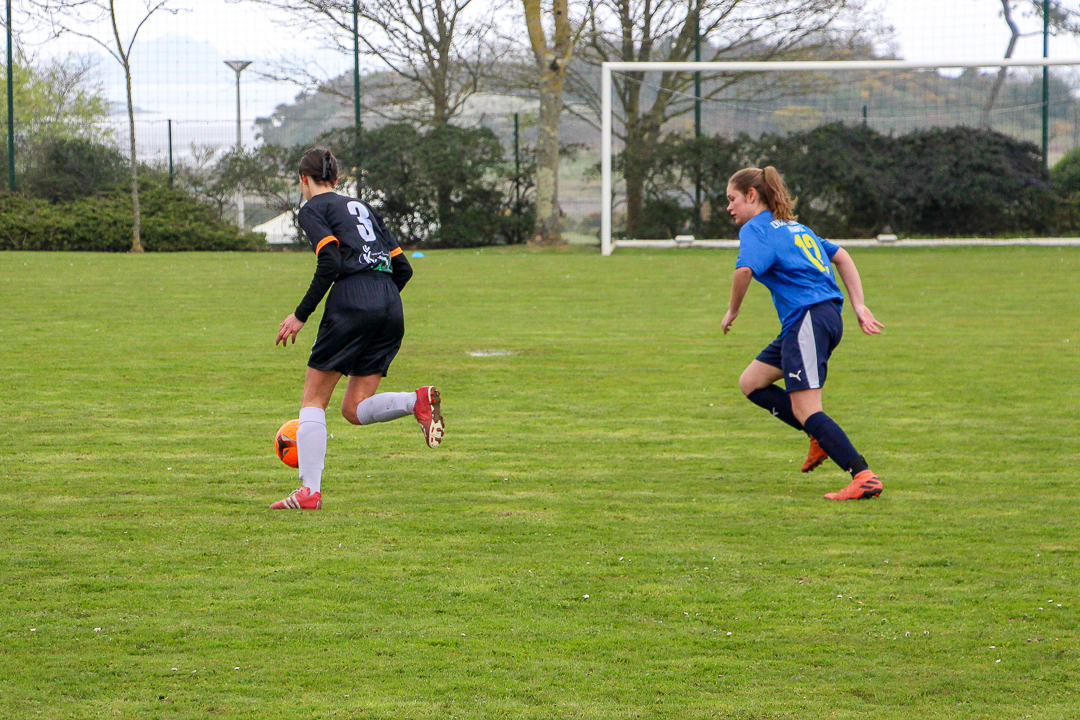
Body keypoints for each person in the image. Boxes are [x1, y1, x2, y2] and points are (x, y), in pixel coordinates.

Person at [270, 147, 444, 510]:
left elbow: (330, 259)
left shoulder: (313, 208)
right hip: (389, 302)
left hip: (353, 299)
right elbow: (404, 270)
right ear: (336, 178)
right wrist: (377, 302)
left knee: (314, 400)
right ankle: (417, 401)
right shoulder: (364, 207)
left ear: (305, 180)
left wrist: (302, 314)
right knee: (354, 408)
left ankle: (309, 492)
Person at [720, 166, 885, 500]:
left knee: (807, 409)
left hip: (807, 319)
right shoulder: (797, 228)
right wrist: (859, 305)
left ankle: (863, 475)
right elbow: (843, 257)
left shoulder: (756, 229)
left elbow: (744, 271)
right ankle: (816, 436)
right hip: (820, 318)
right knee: (751, 382)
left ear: (753, 195)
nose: (729, 207)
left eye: (732, 199)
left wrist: (733, 309)